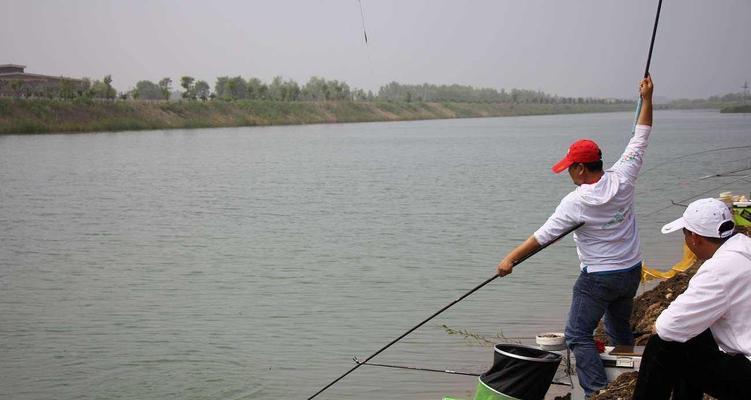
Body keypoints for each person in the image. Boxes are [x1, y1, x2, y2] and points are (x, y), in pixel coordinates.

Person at [496, 75, 653, 398]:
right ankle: (626, 375)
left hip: (598, 278)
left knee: (578, 334)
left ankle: (598, 390)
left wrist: (510, 260)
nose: (568, 172)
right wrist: (647, 99)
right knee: (618, 327)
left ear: (582, 169)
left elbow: (542, 237)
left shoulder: (576, 202)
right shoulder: (625, 175)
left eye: (570, 167)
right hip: (630, 271)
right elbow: (641, 136)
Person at [632, 198, 751, 399]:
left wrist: (657, 327)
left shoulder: (718, 269)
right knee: (690, 333)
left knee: (663, 345)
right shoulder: (745, 246)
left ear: (694, 238)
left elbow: (668, 328)